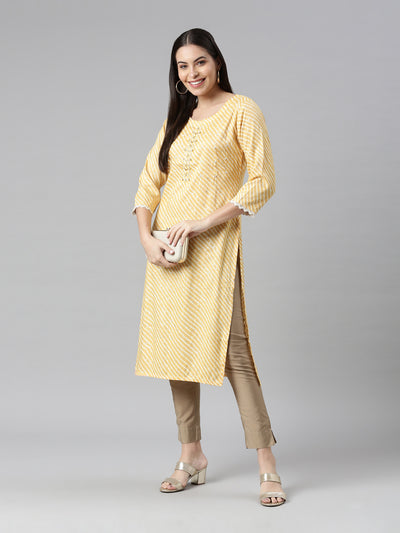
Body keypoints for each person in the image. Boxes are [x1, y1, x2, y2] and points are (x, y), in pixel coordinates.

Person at [132, 28, 286, 507]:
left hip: (214, 246)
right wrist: (146, 239)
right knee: (175, 352)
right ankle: (191, 454)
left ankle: (267, 462)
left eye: (200, 62)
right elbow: (147, 185)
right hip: (170, 251)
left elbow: (263, 180)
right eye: (182, 66)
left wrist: (203, 222)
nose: (192, 73)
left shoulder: (242, 110)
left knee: (234, 352)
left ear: (217, 61)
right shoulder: (176, 120)